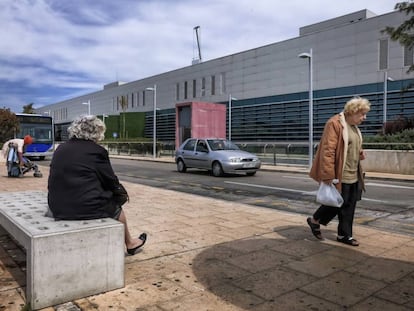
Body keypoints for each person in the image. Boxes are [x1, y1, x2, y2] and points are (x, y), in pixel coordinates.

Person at [47, 115, 147, 255]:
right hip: (85, 208)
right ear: (97, 132)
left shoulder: (61, 148)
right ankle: (130, 243)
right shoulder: (97, 151)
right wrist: (120, 194)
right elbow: (109, 179)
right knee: (116, 208)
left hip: (57, 206)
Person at [306, 97, 370, 246]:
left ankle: (344, 235)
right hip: (339, 174)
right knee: (336, 203)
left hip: (353, 173)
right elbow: (328, 151)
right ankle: (315, 220)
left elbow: (349, 145)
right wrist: (328, 175)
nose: (364, 118)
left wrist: (359, 152)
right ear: (352, 112)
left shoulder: (353, 127)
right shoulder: (334, 123)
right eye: (362, 114)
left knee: (349, 205)